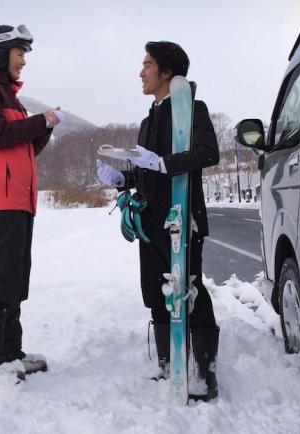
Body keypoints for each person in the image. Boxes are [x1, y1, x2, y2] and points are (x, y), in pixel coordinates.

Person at [96, 41, 220, 401]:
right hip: (149, 221)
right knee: (156, 291)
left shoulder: (193, 109)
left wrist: (165, 163)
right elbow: (145, 170)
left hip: (182, 219)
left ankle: (204, 372)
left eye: (148, 64)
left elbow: (208, 153)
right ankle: (170, 362)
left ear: (167, 72)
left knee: (189, 289)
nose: (141, 72)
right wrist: (122, 179)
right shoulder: (147, 121)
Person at [0, 22, 63, 386]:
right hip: (0, 199)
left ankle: (7, 354)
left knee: (14, 281)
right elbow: (1, 135)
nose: (23, 60)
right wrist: (40, 120)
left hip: (20, 200)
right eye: (19, 52)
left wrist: (45, 127)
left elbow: (25, 147)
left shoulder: (7, 93)